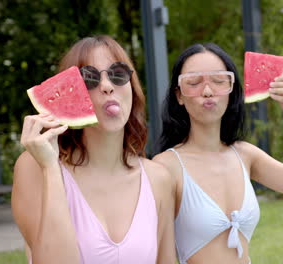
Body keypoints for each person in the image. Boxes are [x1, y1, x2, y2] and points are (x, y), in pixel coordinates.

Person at [153, 43, 283, 264]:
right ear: (179, 95)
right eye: (194, 82)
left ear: (231, 89)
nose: (207, 91)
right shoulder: (166, 166)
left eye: (218, 81)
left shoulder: (245, 155)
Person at [11, 35, 175, 264]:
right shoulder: (35, 167)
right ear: (69, 92)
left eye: (118, 74)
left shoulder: (158, 178)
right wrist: (50, 168)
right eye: (89, 79)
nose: (107, 86)